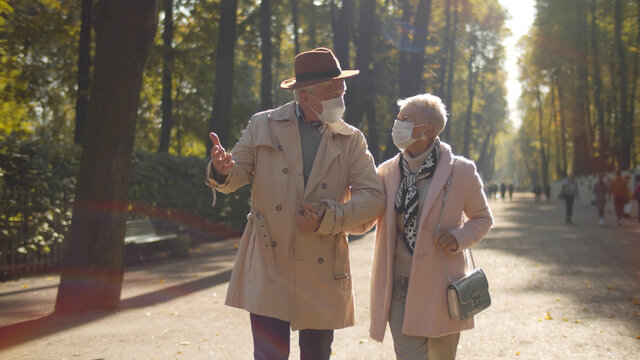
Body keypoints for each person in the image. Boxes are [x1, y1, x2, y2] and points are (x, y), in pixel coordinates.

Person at [205, 47, 385, 359]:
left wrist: (328, 217)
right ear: (304, 96)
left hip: (322, 263)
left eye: (342, 92)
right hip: (269, 260)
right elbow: (235, 176)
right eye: (333, 93)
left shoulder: (351, 138)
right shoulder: (263, 125)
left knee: (317, 355)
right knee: (268, 355)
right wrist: (221, 170)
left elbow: (373, 198)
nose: (341, 100)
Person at [367, 93, 494, 359]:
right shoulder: (387, 172)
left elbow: (482, 218)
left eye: (406, 119)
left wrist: (459, 237)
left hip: (442, 285)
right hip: (399, 284)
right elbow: (366, 214)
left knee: (441, 356)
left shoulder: (461, 170)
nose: (397, 124)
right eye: (398, 118)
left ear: (429, 130)